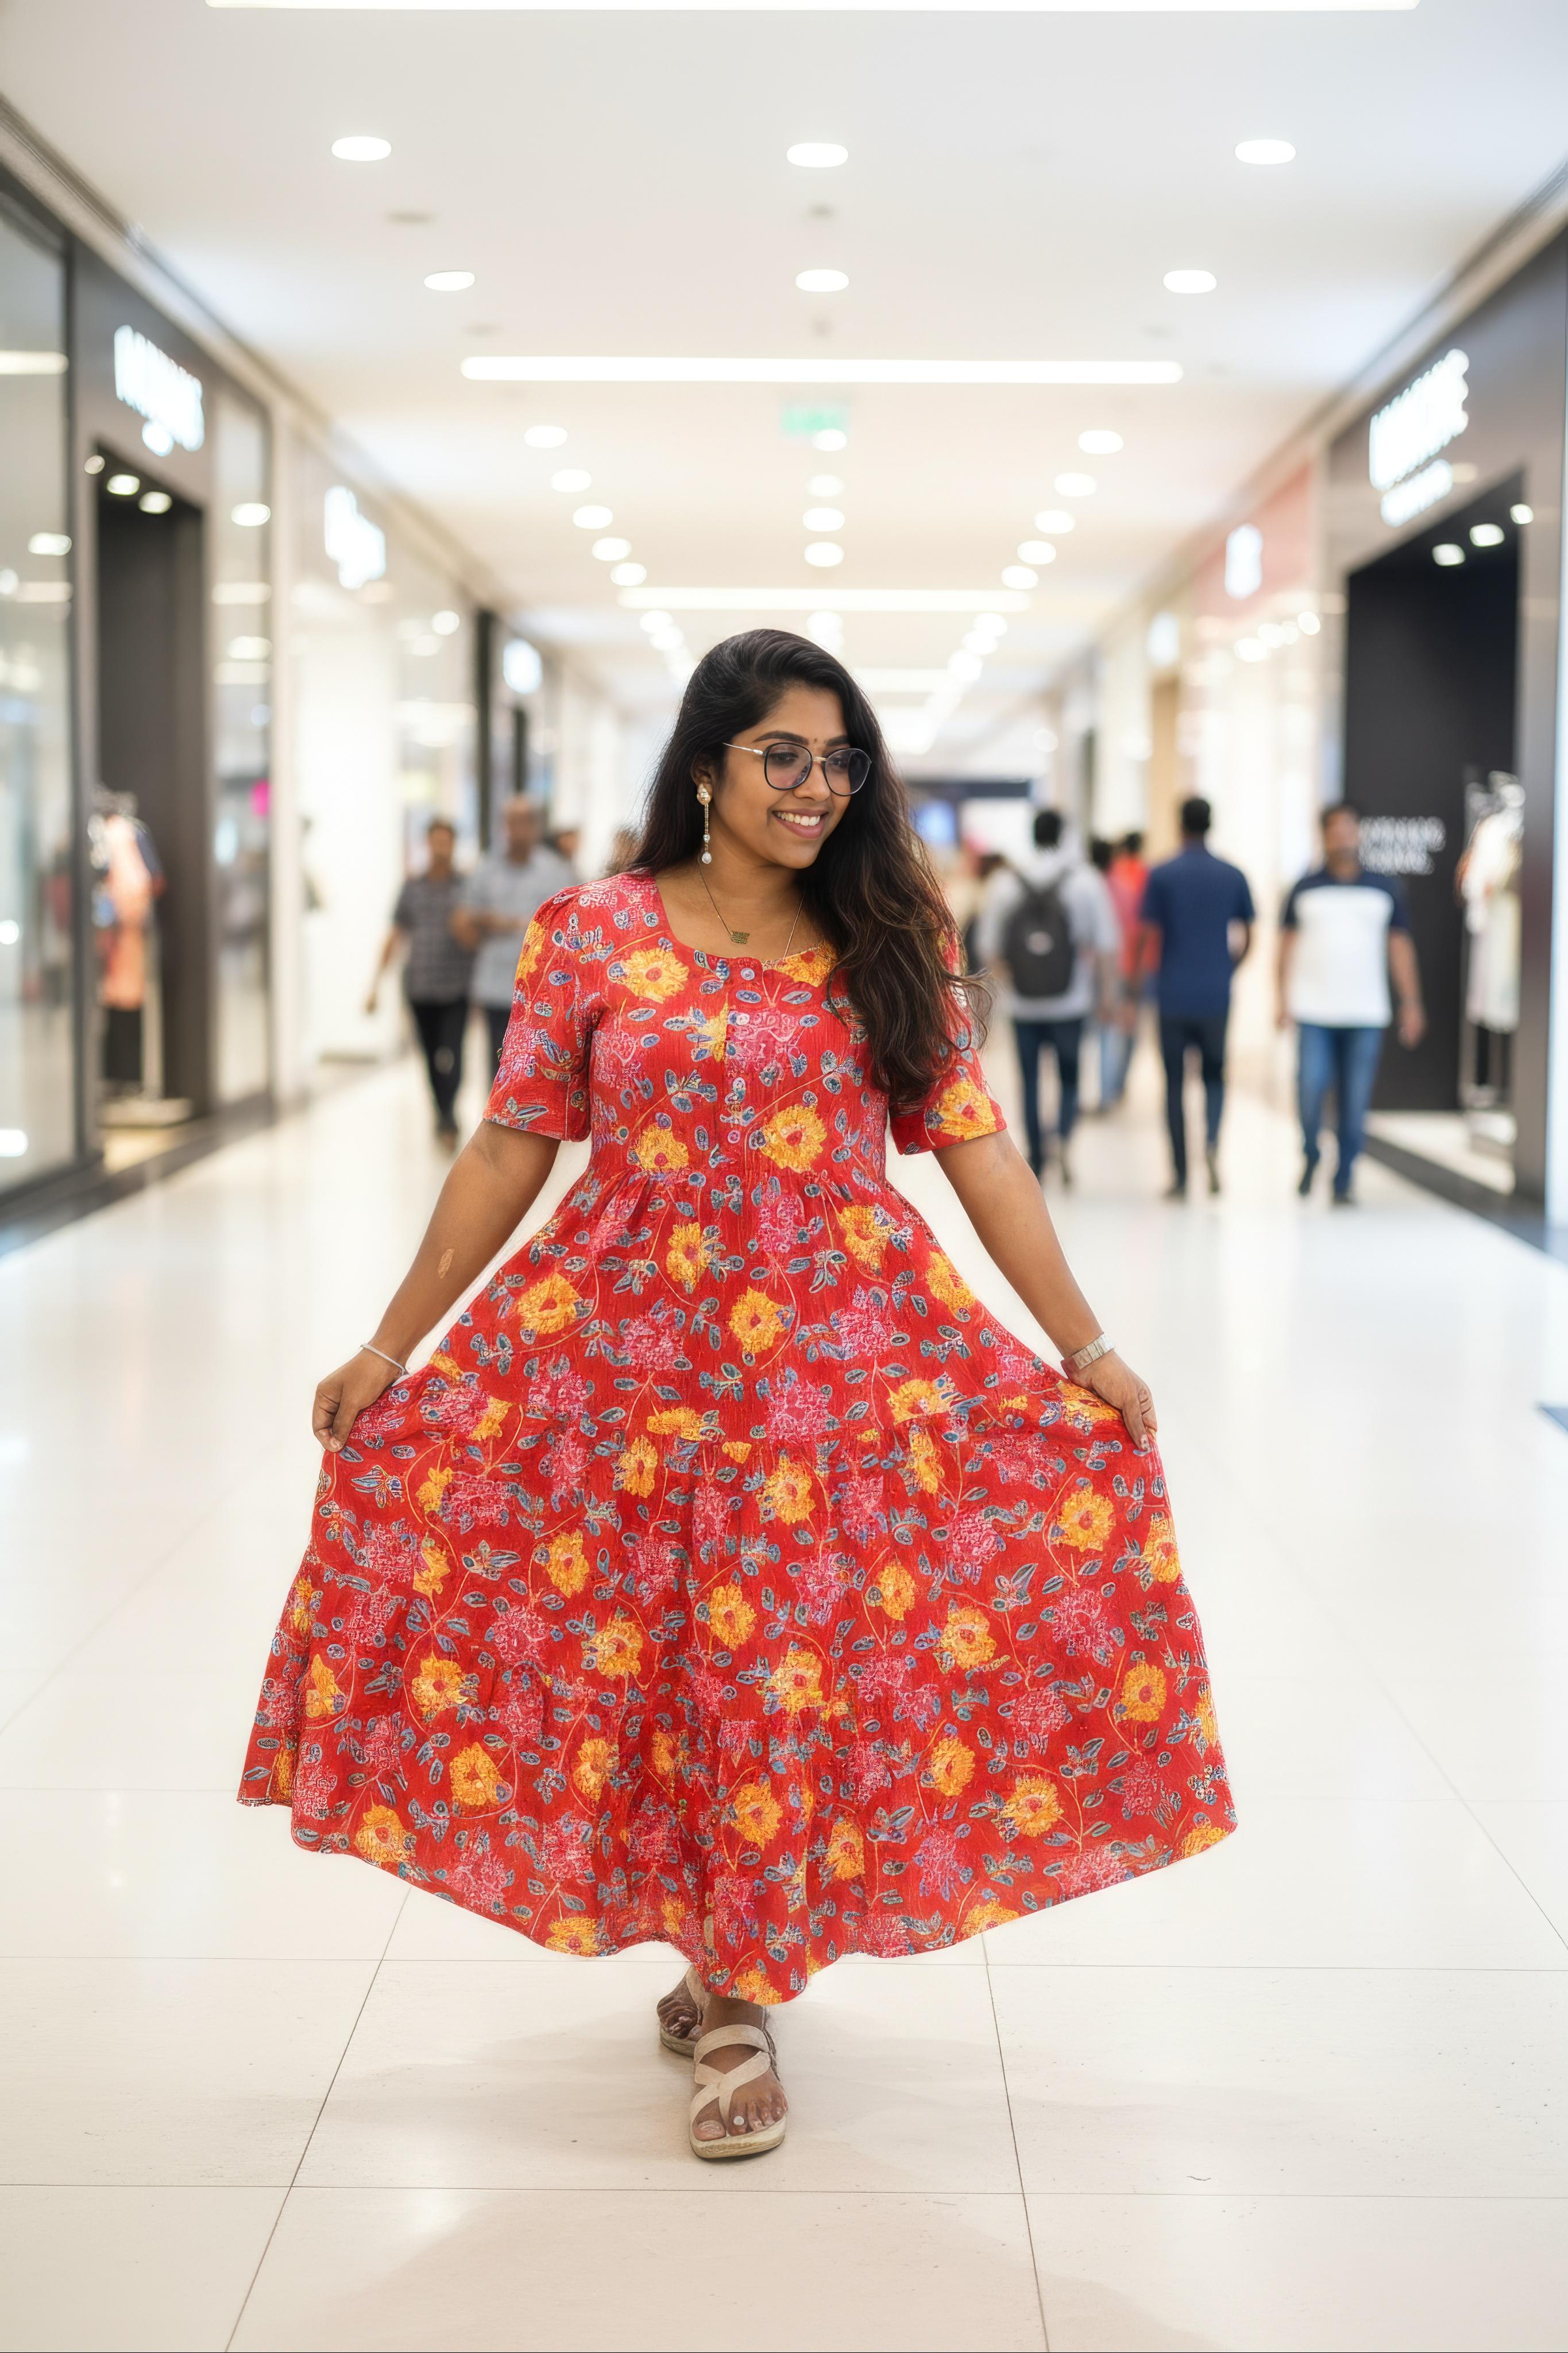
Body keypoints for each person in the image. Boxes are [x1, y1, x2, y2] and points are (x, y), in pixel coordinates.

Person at [238, 629, 1234, 2163]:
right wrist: (389, 1347)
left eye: (840, 760)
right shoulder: (590, 932)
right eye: (784, 755)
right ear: (707, 767)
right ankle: (716, 1933)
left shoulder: (889, 930)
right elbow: (509, 1144)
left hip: (823, 1383)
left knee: (769, 1668)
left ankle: (737, 1996)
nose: (816, 786)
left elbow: (978, 1149)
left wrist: (1085, 1346)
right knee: (658, 1670)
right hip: (622, 1375)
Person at [1277, 801, 1426, 1204]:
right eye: (1335, 829)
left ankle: (1344, 1176)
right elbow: (1285, 947)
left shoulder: (1385, 888)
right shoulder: (1304, 888)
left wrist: (1411, 1002)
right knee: (1309, 1090)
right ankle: (1311, 1152)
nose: (1343, 836)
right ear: (1325, 835)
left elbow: (1400, 946)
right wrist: (1281, 998)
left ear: (1358, 833)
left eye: (1349, 828)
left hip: (1365, 1011)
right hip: (1313, 1011)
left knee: (1355, 1101)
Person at [974, 809, 1119, 1185]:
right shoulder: (1085, 880)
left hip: (1023, 1005)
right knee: (1070, 1077)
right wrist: (1108, 995)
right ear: (1063, 835)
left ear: (1033, 834)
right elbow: (1106, 944)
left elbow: (987, 945)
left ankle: (1037, 1155)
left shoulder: (1006, 882)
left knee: (1030, 1081)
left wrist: (1011, 978)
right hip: (1072, 1001)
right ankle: (1064, 1139)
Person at [1140, 797, 1256, 1198]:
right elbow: (1248, 935)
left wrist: (1138, 985)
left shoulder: (1162, 874)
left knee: (1174, 1084)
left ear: (1180, 825)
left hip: (1173, 993)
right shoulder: (1232, 875)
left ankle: (1180, 1174)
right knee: (1214, 1077)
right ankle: (1212, 1145)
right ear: (1211, 824)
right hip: (1215, 995)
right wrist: (1229, 968)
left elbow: (1148, 935)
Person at [365, 817, 474, 1150]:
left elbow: (475, 937)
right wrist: (374, 985)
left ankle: (448, 1115)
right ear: (428, 844)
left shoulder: (467, 887)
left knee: (454, 1052)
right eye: (436, 841)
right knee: (430, 1055)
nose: (441, 848)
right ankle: (442, 1113)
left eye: (447, 841)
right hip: (420, 986)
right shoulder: (412, 888)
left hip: (457, 986)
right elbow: (396, 934)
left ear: (453, 845)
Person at [456, 798, 572, 1078]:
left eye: (525, 822)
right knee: (498, 1063)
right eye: (513, 822)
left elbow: (572, 922)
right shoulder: (487, 868)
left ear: (535, 826)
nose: (519, 829)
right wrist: (487, 923)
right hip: (497, 985)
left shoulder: (556, 871)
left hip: (542, 989)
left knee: (537, 1066)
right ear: (505, 825)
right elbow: (464, 920)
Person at [1100, 831, 1149, 1110]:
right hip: (1132, 964)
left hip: (1100, 967)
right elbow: (1140, 931)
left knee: (1106, 1029)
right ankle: (1118, 1084)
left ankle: (1106, 1088)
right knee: (1129, 1029)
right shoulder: (1142, 878)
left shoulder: (1106, 880)